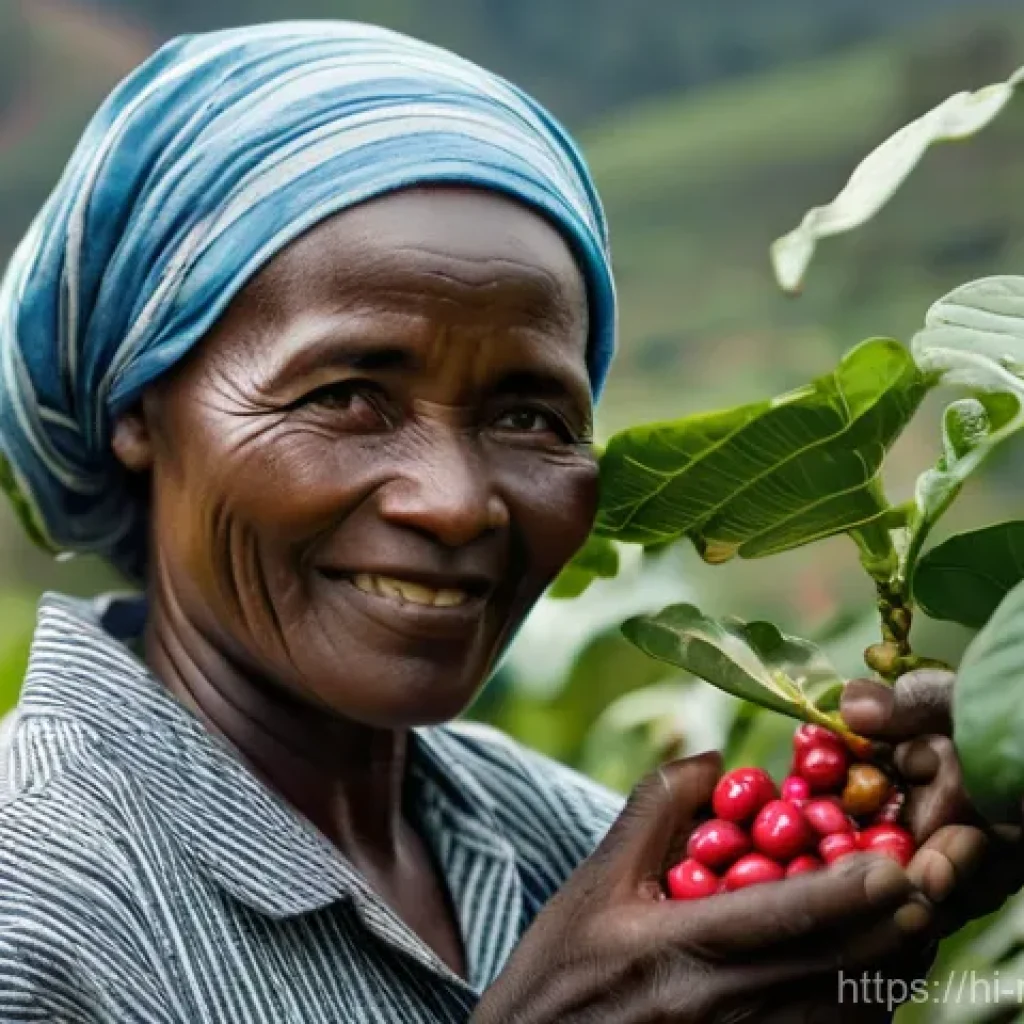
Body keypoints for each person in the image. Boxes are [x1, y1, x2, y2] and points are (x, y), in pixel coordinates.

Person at [0, 19, 1015, 1023]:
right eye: (345, 396)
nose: (455, 504)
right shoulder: (32, 913)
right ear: (138, 411)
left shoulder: (575, 849)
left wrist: (867, 930)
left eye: (530, 417)